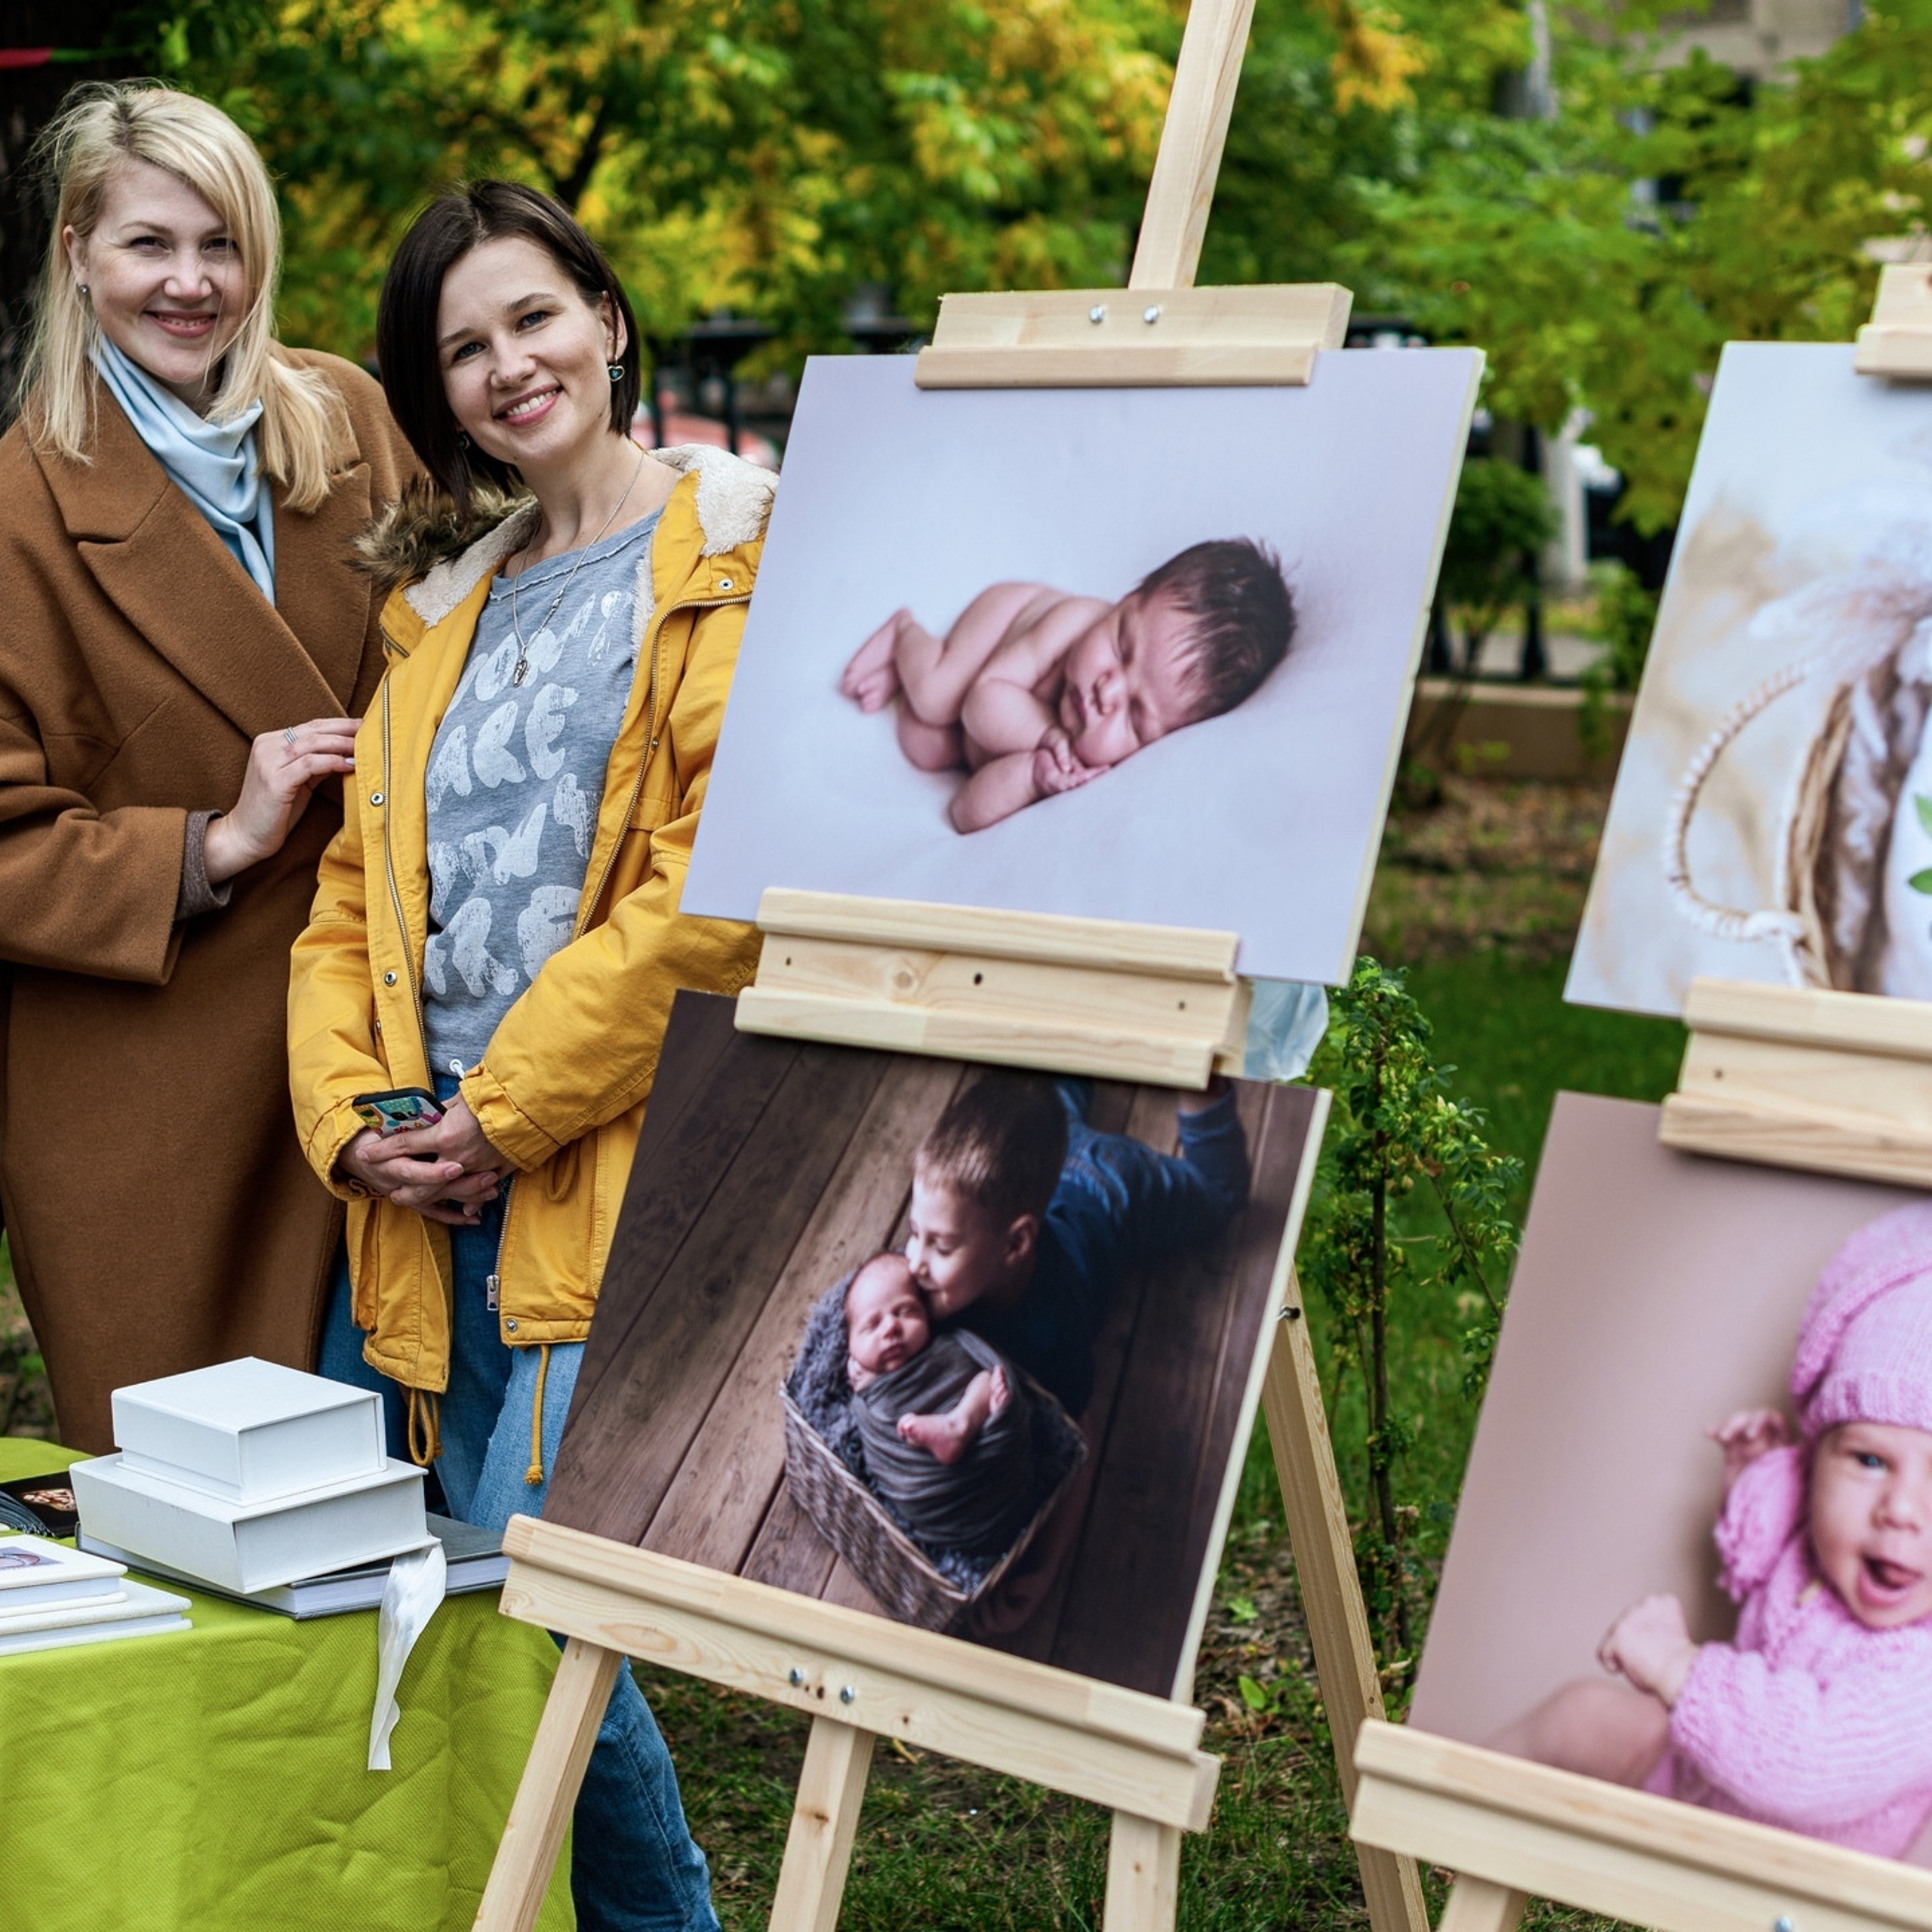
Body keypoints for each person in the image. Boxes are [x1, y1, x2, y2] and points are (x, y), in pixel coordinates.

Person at [287, 180, 768, 1932]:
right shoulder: (440, 602)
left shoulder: (734, 556)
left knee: (543, 1602)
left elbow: (715, 891)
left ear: (610, 317)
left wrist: (501, 1112)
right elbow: (351, 896)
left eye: (534, 317)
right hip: (415, 1178)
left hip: (601, 1156)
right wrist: (354, 1119)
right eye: (462, 347)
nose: (508, 365)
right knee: (412, 1580)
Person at [0, 83, 415, 1451]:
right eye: (148, 246)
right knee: (210, 1513)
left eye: (221, 244)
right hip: (155, 1084)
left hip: (389, 1027)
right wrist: (211, 843)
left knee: (435, 1464)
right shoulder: (16, 504)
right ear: (76, 254)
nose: (191, 284)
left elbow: (476, 634)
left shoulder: (346, 417)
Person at [1492, 1202, 1932, 1859]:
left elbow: (1807, 1762)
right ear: (1816, 1463)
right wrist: (1758, 1483)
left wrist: (1680, 1665)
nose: (1900, 1509)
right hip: (1694, 1795)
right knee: (1583, 1714)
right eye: (1869, 1461)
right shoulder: (1819, 1559)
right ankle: (1440, 1825)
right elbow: (1755, 1572)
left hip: (1801, 1881)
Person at [838, 538, 1295, 832]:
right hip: (1004, 628)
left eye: (1135, 714)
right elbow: (982, 702)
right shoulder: (1073, 621)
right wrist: (1050, 736)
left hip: (988, 729)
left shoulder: (1095, 765)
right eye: (1121, 644)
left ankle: (904, 673)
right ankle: (904, 634)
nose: (1106, 689)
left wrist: (1036, 777)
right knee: (938, 698)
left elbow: (964, 815)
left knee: (925, 748)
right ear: (1125, 601)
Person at [904, 1072, 1251, 1417]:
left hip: (1108, 1185)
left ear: (1015, 1245)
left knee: (1218, 1191)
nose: (915, 1262)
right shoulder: (930, 1273)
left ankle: (1198, 1079)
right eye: (914, 1232)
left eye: (943, 1247)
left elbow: (1064, 1426)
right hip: (1050, 1146)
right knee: (1048, 1104)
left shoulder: (1055, 1334)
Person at [843, 1251, 1035, 1559]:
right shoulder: (869, 1386)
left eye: (905, 1311)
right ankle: (958, 1428)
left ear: (928, 1315)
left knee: (989, 1378)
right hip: (938, 1491)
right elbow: (877, 1430)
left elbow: (977, 1364)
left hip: (989, 1445)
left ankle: (960, 1423)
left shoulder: (946, 1346)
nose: (890, 1327)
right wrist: (866, 1385)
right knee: (893, 1418)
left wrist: (999, 1416)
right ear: (850, 1345)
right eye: (872, 1325)